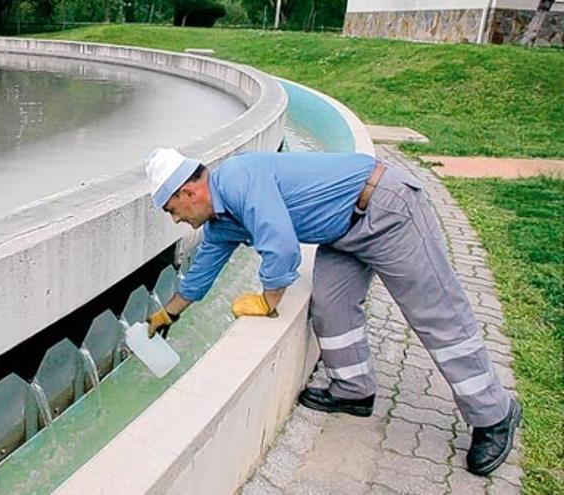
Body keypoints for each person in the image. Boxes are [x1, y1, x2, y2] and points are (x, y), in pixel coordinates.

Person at [143, 147, 519, 476]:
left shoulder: (239, 178)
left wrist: (269, 299)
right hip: (341, 231)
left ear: (189, 192)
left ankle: (493, 413)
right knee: (330, 306)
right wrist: (169, 314)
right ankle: (354, 390)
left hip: (384, 209)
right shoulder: (221, 221)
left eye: (172, 210)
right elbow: (203, 270)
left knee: (435, 314)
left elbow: (282, 246)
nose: (176, 220)